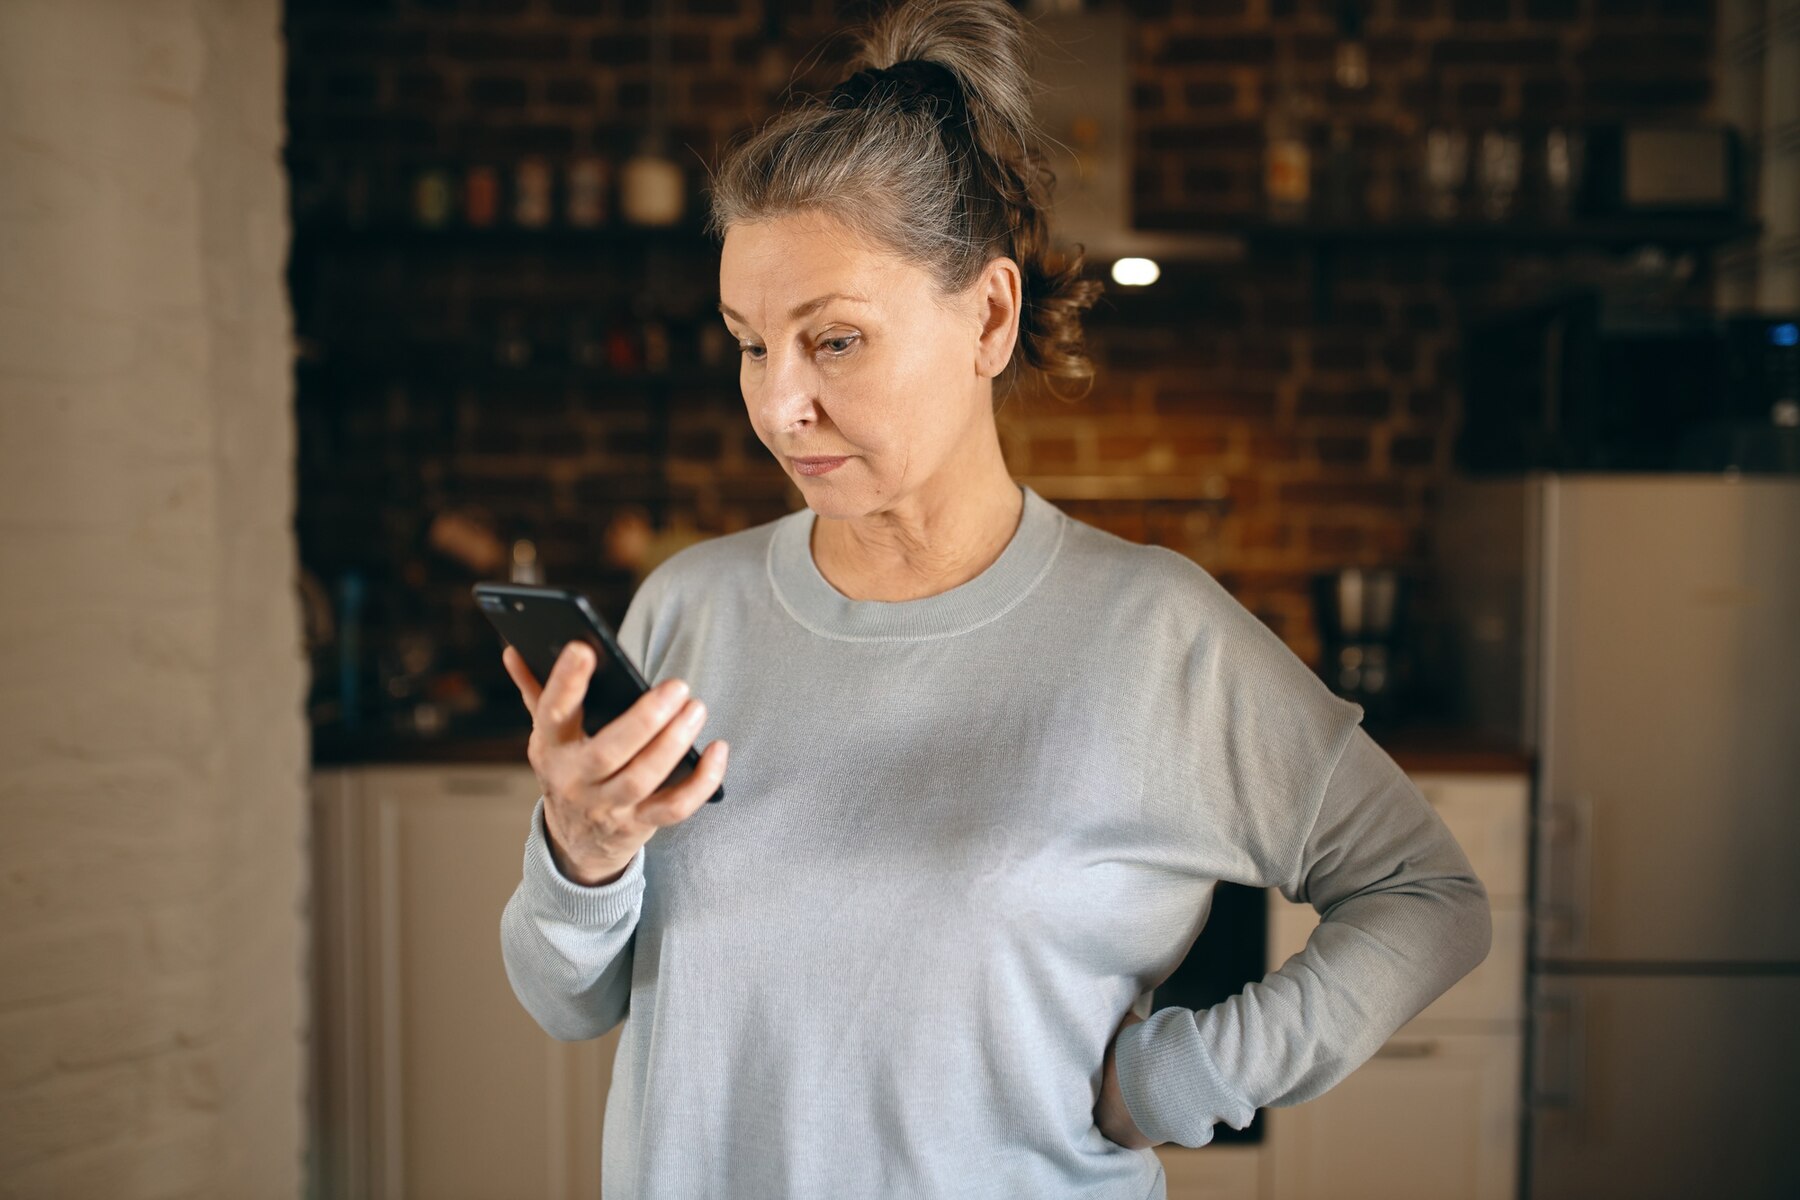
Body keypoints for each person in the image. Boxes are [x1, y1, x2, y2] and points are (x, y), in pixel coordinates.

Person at [498, 2, 1491, 1196]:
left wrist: (1184, 1078)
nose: (776, 406)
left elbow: (1427, 897)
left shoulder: (1153, 634)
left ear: (991, 316)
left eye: (837, 342)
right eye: (750, 343)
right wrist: (583, 850)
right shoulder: (687, 609)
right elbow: (569, 1004)